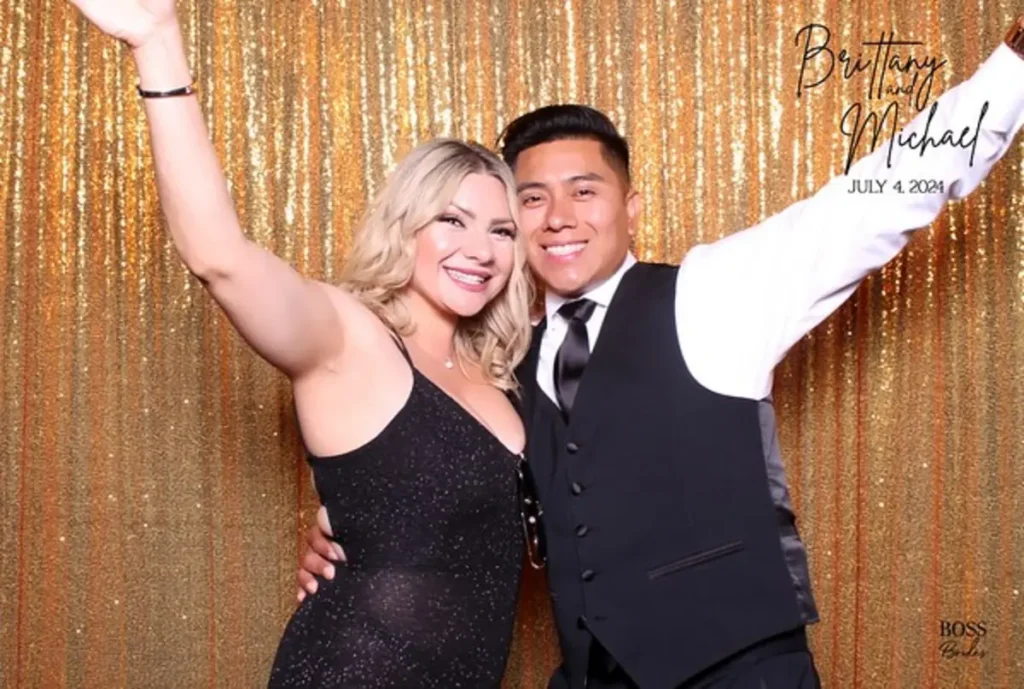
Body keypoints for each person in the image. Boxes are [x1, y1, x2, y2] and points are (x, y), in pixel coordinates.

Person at [299, 18, 1024, 689]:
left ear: (632, 206)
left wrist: (1012, 71)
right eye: (531, 199)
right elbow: (446, 470)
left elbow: (880, 196)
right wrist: (356, 523)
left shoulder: (716, 292)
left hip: (738, 670)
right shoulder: (499, 359)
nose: (559, 218)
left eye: (585, 191)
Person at [68, 0, 537, 686]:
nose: (480, 249)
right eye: (452, 220)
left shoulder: (496, 371)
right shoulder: (348, 337)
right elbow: (220, 255)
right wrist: (157, 45)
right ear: (405, 225)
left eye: (501, 231)